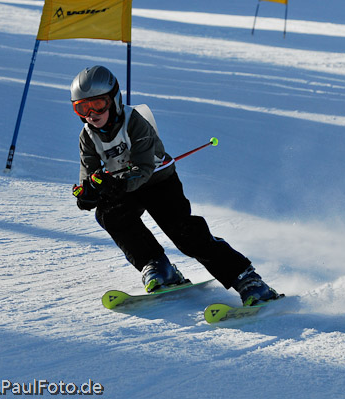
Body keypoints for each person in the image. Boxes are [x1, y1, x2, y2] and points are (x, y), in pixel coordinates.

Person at [70, 65, 280, 306]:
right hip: (125, 186)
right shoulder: (87, 136)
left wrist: (117, 185)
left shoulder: (134, 121)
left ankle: (247, 279)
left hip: (159, 182)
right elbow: (89, 174)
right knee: (109, 214)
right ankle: (157, 265)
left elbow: (144, 167)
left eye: (98, 104)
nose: (91, 114)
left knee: (185, 234)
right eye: (82, 107)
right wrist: (88, 193)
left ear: (114, 100)